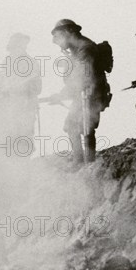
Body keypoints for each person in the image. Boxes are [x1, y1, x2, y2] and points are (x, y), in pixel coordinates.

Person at [48, 19, 111, 164]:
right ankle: (82, 161)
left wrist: (62, 94)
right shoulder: (78, 49)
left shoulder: (86, 48)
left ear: (68, 32)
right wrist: (62, 94)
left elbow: (82, 77)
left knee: (86, 127)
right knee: (74, 126)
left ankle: (87, 163)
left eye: (58, 37)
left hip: (91, 95)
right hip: (84, 94)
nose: (56, 42)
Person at [0, 33, 42, 140]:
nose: (13, 51)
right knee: (7, 139)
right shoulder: (7, 62)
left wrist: (20, 88)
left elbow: (38, 88)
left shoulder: (32, 63)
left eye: (17, 47)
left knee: (24, 139)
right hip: (7, 108)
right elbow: (0, 82)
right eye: (12, 48)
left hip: (25, 108)